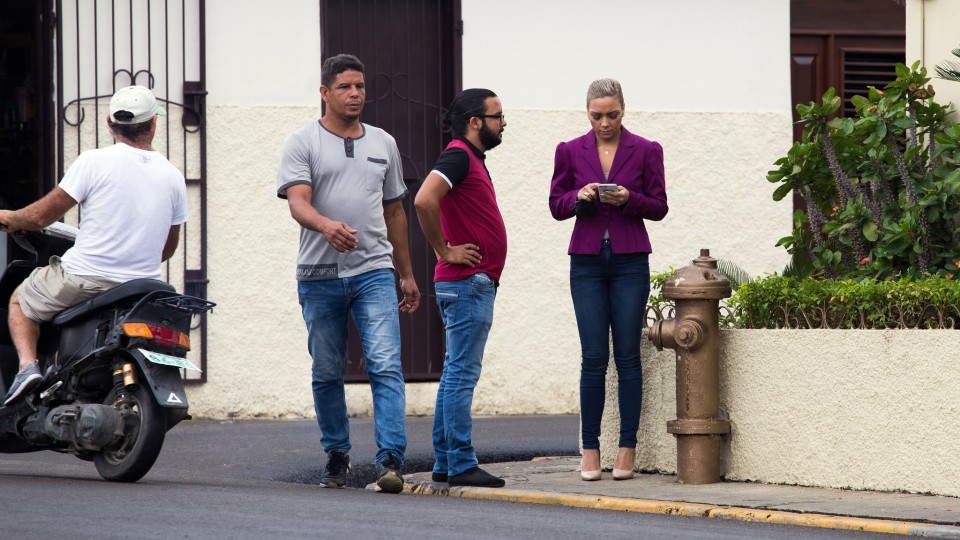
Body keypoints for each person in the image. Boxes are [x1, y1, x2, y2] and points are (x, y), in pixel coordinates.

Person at [276, 54, 420, 494]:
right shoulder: (302, 142)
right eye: (344, 87)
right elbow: (297, 201)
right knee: (326, 370)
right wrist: (325, 225)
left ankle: (390, 459)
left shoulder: (384, 143)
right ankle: (337, 455)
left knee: (386, 364)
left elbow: (395, 209)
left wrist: (406, 273)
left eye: (360, 86)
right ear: (325, 92)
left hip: (374, 270)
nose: (355, 94)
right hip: (319, 274)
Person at [0, 85, 187, 406]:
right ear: (154, 123)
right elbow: (167, 249)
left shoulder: (94, 161)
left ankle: (27, 367)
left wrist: (12, 217)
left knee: (19, 300)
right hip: (142, 287)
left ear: (108, 122)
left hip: (86, 278)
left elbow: (43, 215)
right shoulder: (173, 176)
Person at [548, 78, 668, 481]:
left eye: (612, 115)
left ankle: (627, 448)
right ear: (587, 112)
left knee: (629, 356)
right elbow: (556, 205)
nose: (604, 123)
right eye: (597, 115)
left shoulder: (647, 150)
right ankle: (590, 448)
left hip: (630, 261)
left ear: (623, 110)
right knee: (594, 358)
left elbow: (659, 206)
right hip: (585, 263)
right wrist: (578, 198)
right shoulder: (568, 150)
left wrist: (629, 200)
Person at [414, 88, 508, 488]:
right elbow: (423, 200)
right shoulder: (458, 155)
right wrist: (444, 250)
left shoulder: (470, 159)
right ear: (475, 122)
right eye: (497, 116)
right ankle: (461, 463)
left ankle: (445, 461)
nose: (503, 123)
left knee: (455, 372)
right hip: (468, 283)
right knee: (461, 374)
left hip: (469, 284)